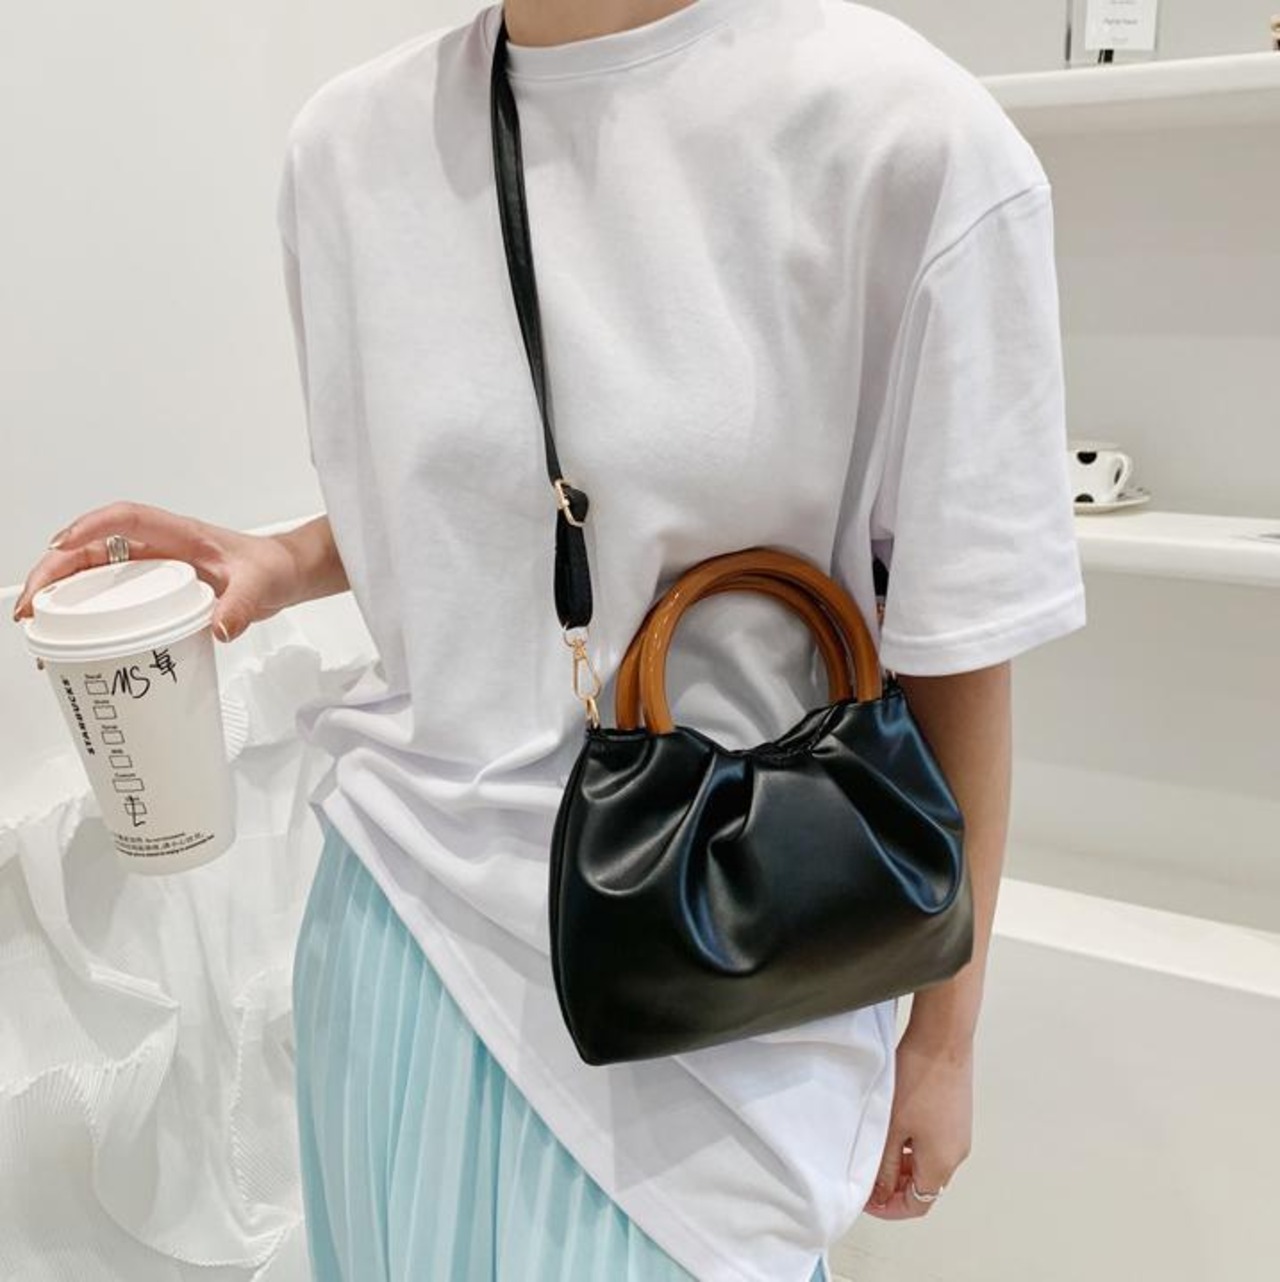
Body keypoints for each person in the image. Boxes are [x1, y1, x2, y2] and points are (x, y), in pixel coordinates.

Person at [13, 1, 1087, 1278]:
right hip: (401, 931)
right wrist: (288, 558)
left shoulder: (901, 134)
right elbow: (507, 498)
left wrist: (942, 1041)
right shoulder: (349, 148)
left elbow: (958, 640)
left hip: (720, 1002)